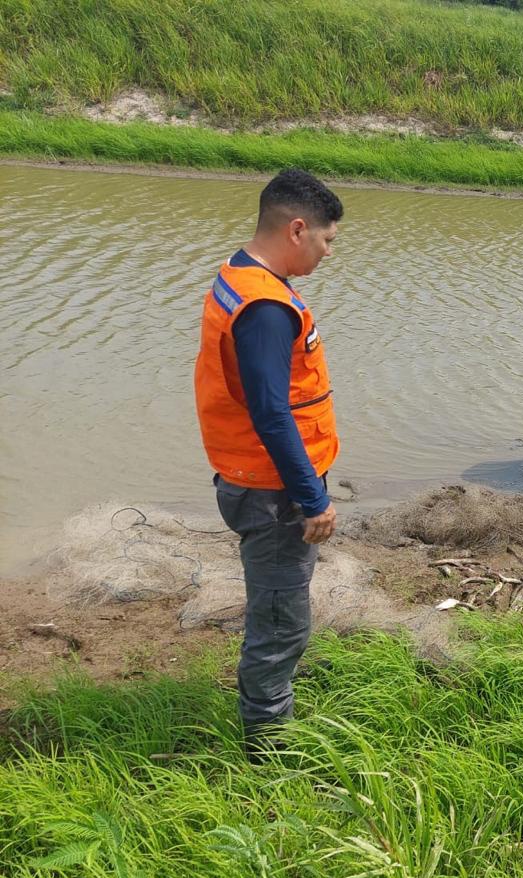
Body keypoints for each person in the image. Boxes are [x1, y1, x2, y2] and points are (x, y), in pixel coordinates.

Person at [193, 168, 343, 759]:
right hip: (274, 488)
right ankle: (269, 753)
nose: (329, 252)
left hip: (251, 476)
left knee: (277, 610)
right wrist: (313, 498)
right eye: (327, 240)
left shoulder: (239, 274)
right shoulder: (266, 307)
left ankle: (270, 715)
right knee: (281, 623)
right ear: (298, 229)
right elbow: (271, 413)